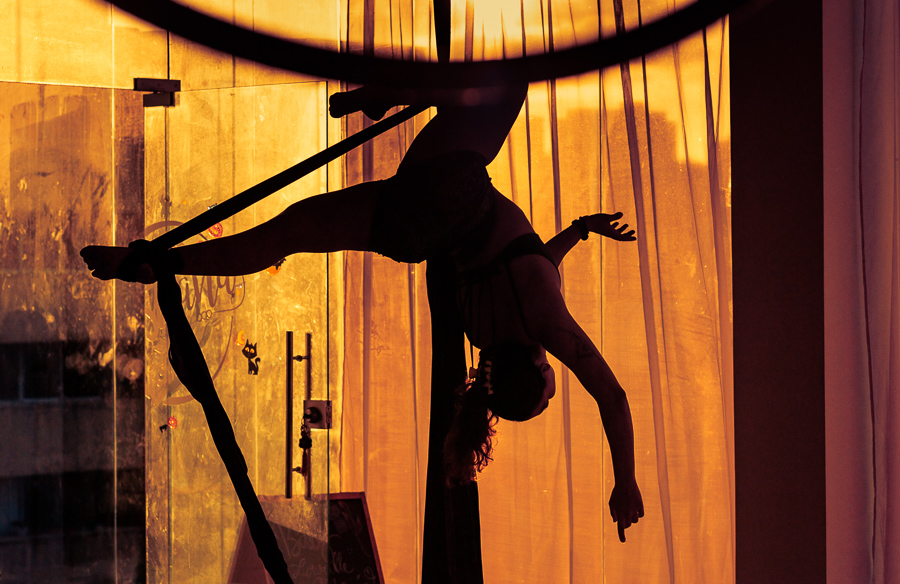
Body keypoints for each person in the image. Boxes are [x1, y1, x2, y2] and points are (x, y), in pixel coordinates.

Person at [81, 82, 644, 542]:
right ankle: (157, 262)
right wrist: (580, 231)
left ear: (541, 365)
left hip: (455, 193)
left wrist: (626, 482)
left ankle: (393, 91)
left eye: (550, 380)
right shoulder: (490, 327)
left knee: (505, 82)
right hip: (412, 229)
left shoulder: (544, 319)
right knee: (285, 236)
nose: (554, 370)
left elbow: (611, 396)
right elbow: (539, 259)